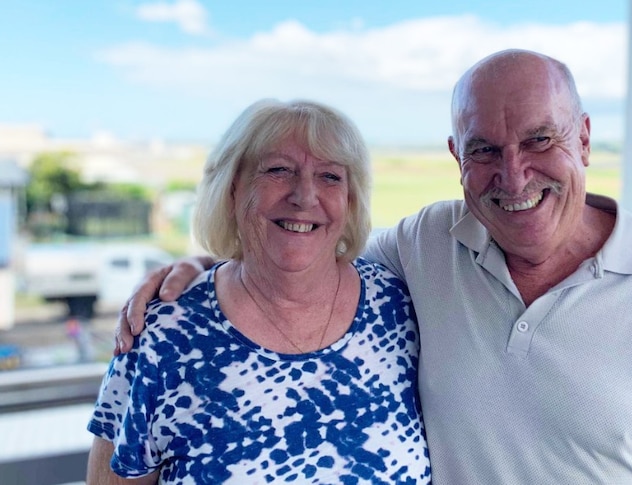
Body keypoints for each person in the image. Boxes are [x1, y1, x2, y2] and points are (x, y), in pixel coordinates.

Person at [117, 50, 632, 483]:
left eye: (540, 139)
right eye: (485, 148)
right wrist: (211, 266)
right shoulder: (427, 243)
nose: (513, 175)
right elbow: (304, 256)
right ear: (457, 154)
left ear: (584, 140)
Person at [88, 99, 431, 484]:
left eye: (330, 177)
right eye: (279, 170)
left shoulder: (400, 309)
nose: (304, 195)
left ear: (350, 200)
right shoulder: (163, 333)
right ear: (233, 189)